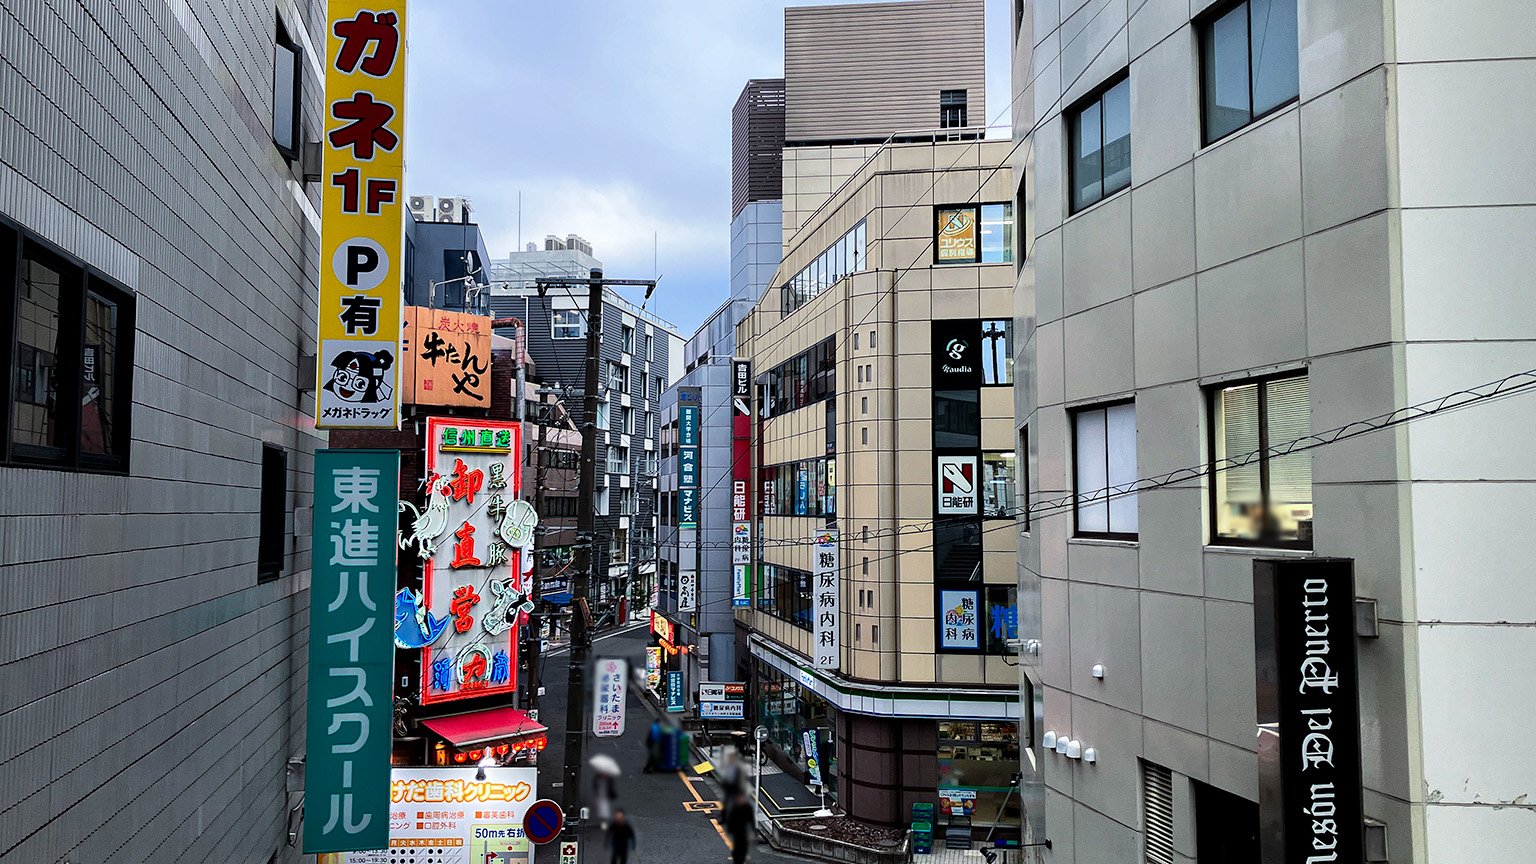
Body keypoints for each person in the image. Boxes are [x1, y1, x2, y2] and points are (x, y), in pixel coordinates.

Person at [724, 791, 754, 864]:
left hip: (743, 830)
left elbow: (751, 819)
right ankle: (738, 859)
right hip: (736, 830)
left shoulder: (747, 807)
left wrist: (753, 828)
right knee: (738, 845)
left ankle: (740, 858)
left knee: (743, 844)